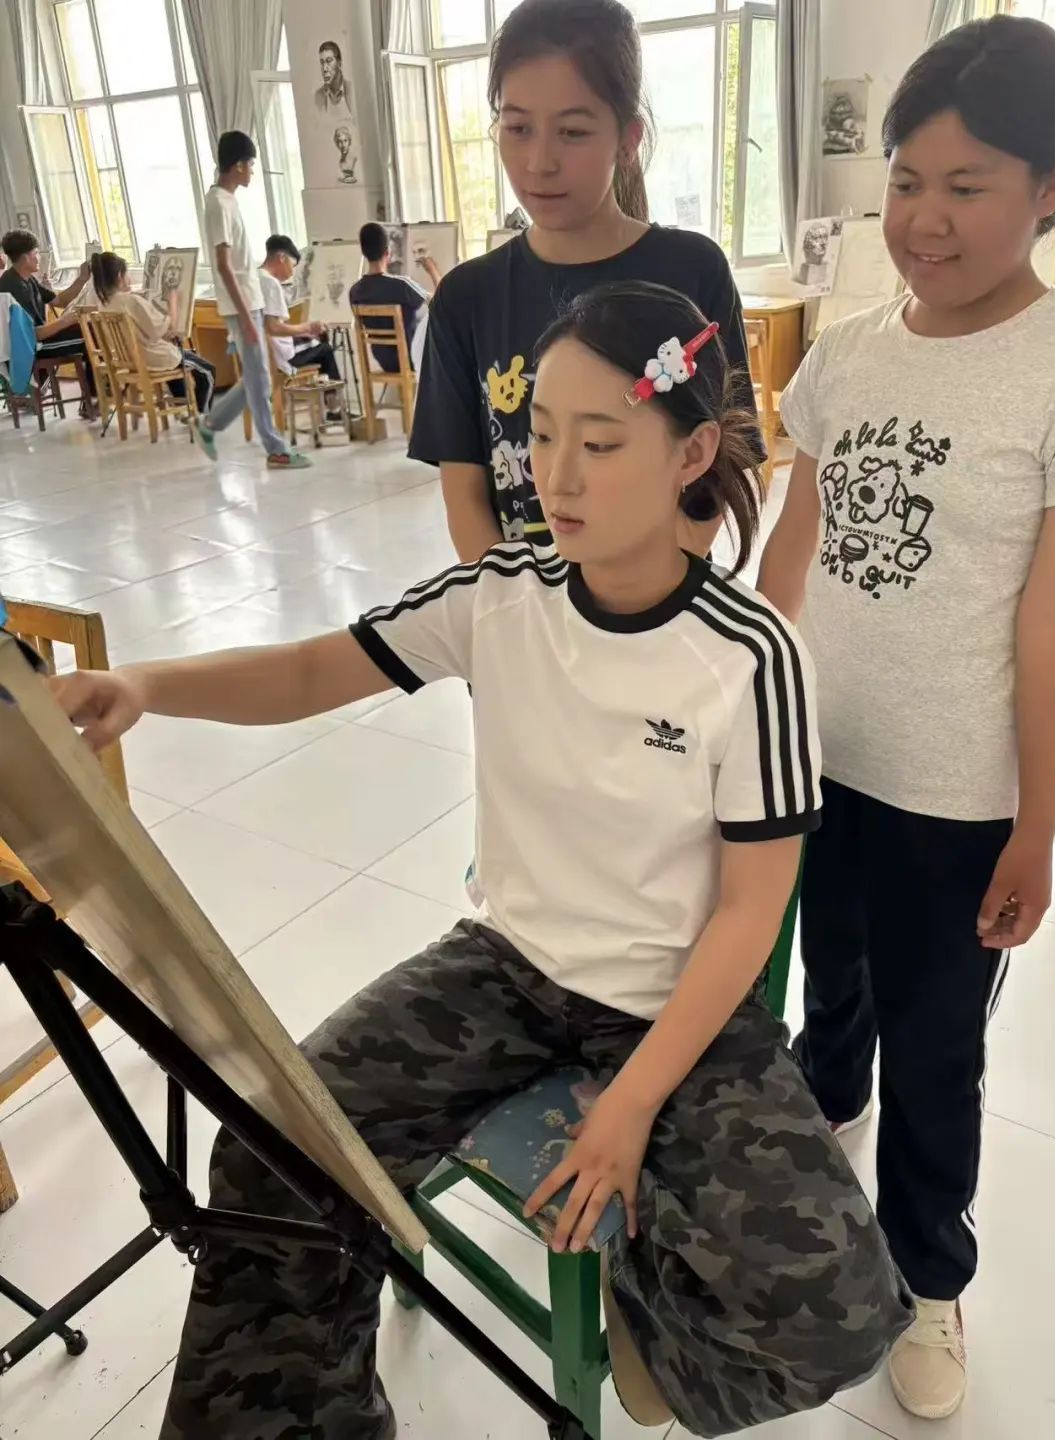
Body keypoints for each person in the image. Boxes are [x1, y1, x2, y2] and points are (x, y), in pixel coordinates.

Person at [53, 280, 912, 1440]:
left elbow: (749, 916)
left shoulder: (754, 658)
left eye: (600, 443)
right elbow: (311, 670)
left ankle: (650, 1320)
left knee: (836, 1311)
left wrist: (631, 1106)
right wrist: (145, 686)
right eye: (541, 436)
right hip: (504, 971)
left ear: (691, 453)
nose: (558, 477)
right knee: (274, 1153)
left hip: (674, 1010)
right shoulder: (503, 594)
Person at [757, 15, 1055, 1422]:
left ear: (1054, 184)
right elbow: (794, 542)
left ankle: (925, 1272)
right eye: (904, 181)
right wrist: (748, 700)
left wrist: (1037, 824)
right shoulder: (846, 353)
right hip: (821, 757)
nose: (924, 219)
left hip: (958, 797)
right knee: (831, 974)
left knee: (938, 1047)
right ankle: (826, 1101)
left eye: (967, 186)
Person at [409, 0, 757, 562]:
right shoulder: (467, 298)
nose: (539, 162)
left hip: (666, 593)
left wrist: (647, 591)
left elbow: (723, 462)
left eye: (572, 131)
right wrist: (519, 603)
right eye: (517, 128)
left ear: (628, 139)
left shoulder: (693, 270)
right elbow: (465, 495)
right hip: (523, 603)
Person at [198, 131, 311, 470]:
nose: (251, 171)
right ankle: (275, 449)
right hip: (242, 306)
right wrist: (247, 317)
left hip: (251, 301)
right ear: (237, 165)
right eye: (250, 164)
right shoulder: (218, 203)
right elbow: (223, 265)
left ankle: (211, 424)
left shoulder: (228, 200)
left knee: (256, 376)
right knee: (260, 376)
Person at [81, 251, 216, 414]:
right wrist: (173, 303)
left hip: (129, 359)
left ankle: (183, 409)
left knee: (179, 358)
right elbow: (158, 330)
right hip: (151, 357)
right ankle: (203, 415)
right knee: (208, 371)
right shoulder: (131, 300)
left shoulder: (104, 305)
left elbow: (145, 331)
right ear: (119, 276)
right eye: (128, 274)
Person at [349, 221, 440, 373]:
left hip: (384, 362)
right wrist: (433, 271)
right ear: (388, 253)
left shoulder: (355, 292)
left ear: (364, 254)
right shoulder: (402, 285)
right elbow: (440, 302)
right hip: (412, 359)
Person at [0, 229, 92, 372]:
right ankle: (98, 384)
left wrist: (82, 279)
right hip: (29, 349)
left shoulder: (28, 279)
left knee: (90, 328)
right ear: (25, 257)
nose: (39, 257)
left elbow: (60, 301)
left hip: (39, 342)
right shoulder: (12, 287)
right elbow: (31, 334)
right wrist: (64, 321)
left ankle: (99, 382)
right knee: (90, 337)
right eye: (36, 253)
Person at [259, 234, 341, 382]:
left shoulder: (255, 277)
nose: (292, 272)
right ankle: (333, 395)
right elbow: (274, 328)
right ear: (281, 258)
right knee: (325, 349)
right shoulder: (271, 284)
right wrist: (308, 327)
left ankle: (328, 393)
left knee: (311, 340)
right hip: (280, 358)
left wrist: (302, 332)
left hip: (261, 352)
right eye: (292, 265)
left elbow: (267, 326)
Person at [315, 39, 353, 115]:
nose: (324, 68)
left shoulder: (352, 89)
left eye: (329, 61)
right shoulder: (318, 96)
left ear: (339, 63)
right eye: (322, 63)